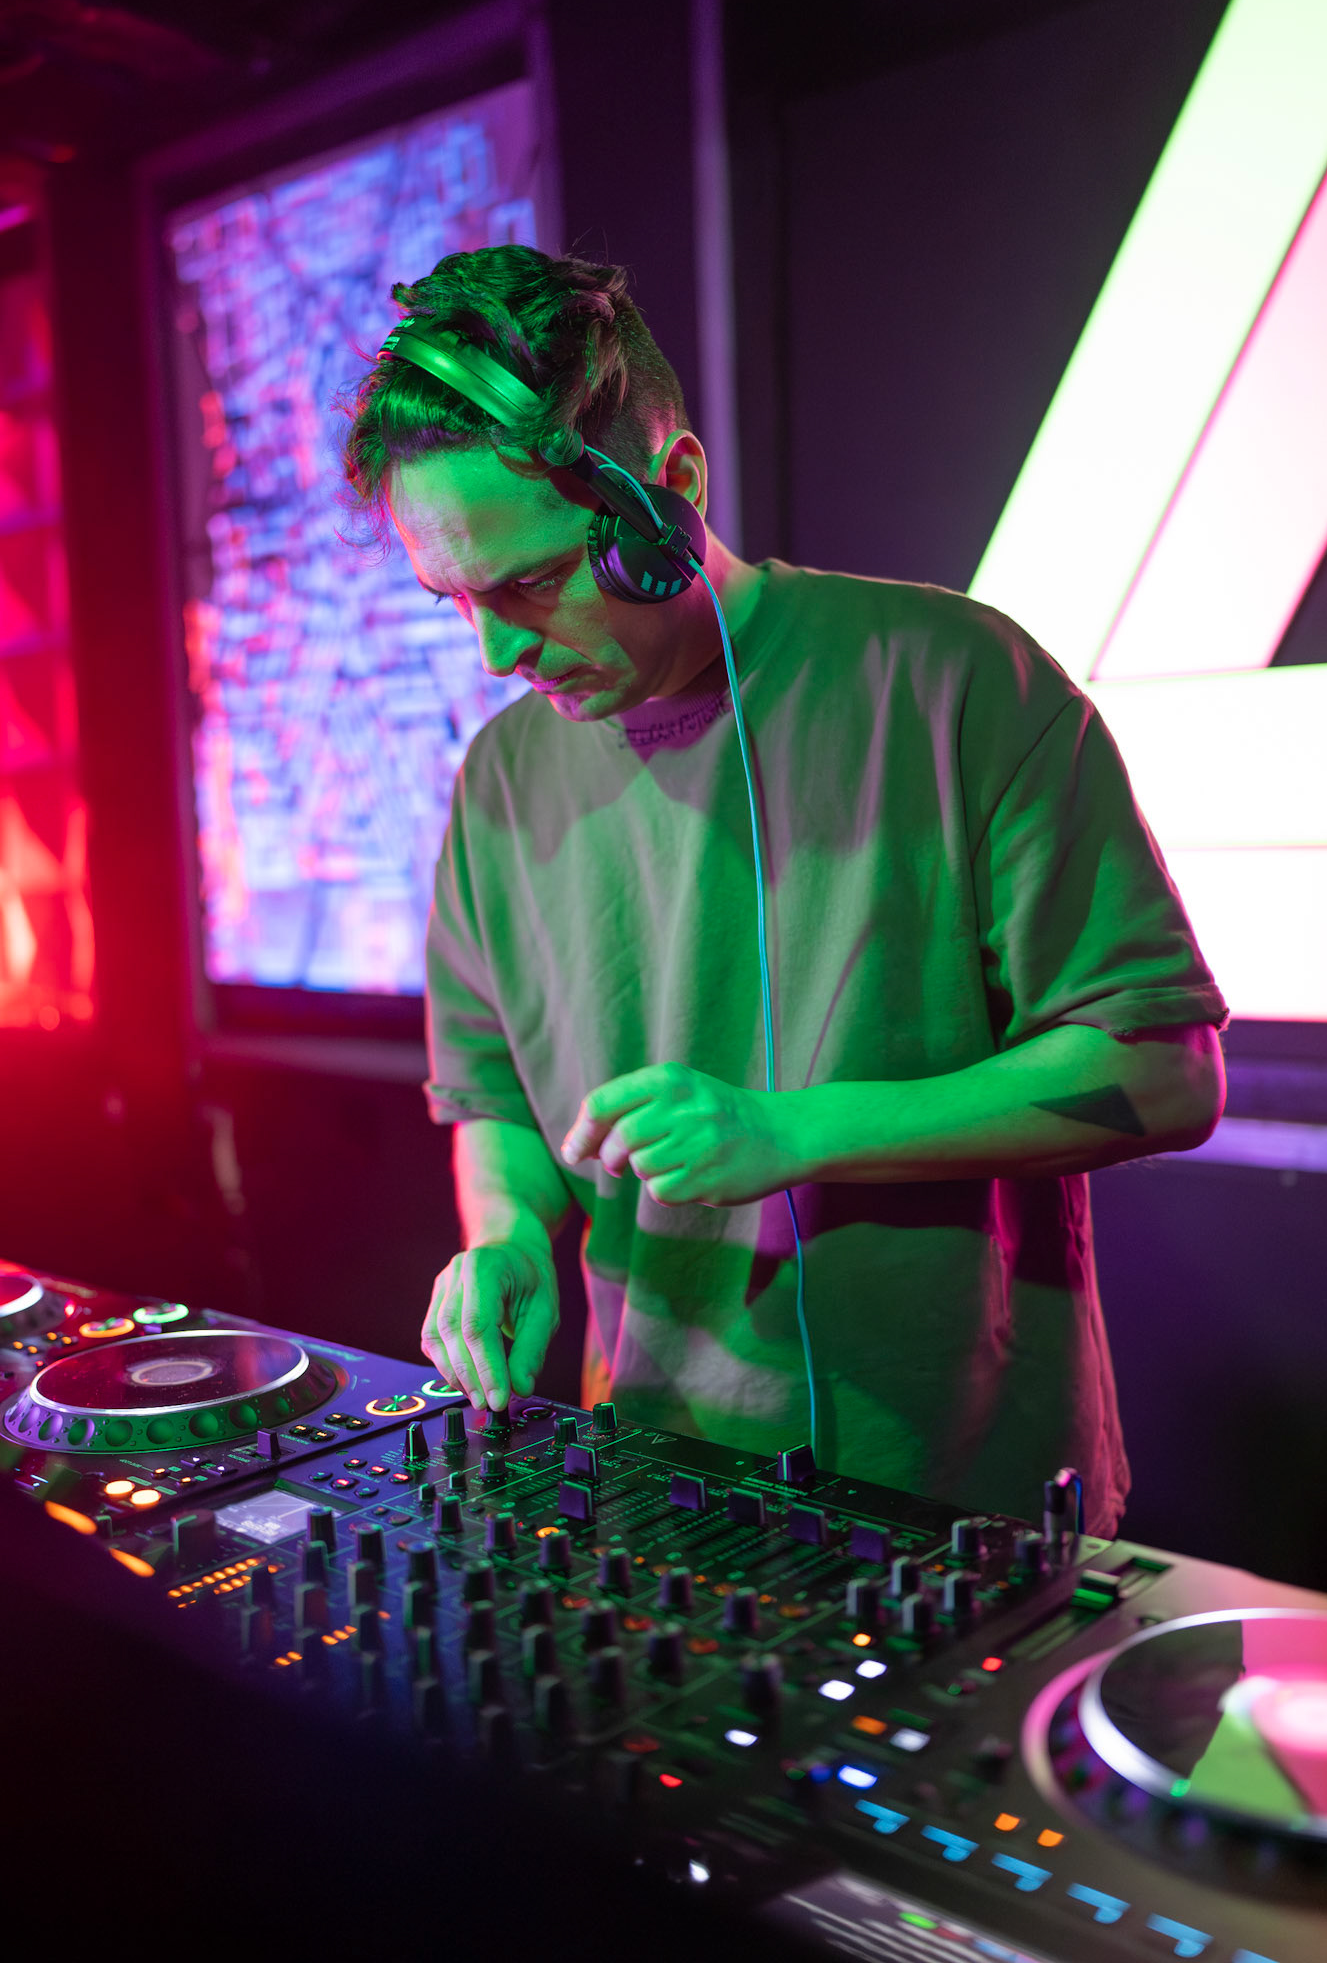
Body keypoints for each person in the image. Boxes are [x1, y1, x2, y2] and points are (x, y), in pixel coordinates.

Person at [341, 246, 1226, 1535]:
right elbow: (495, 1105)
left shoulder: (958, 679)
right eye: (454, 601)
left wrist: (795, 1134)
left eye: (531, 582)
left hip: (967, 1497)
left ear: (673, 491)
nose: (497, 650)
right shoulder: (498, 782)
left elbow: (1167, 1074)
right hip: (648, 1480)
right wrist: (511, 1238)